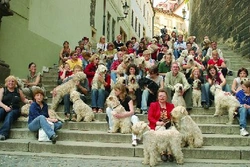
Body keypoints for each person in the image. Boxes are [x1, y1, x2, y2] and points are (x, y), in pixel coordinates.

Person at [0, 75, 32, 140]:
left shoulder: (18, 91)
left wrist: (29, 101)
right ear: (6, 82)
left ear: (15, 83)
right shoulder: (3, 90)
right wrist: (5, 107)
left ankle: (3, 133)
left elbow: (23, 100)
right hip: (4, 108)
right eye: (9, 81)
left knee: (10, 116)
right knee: (0, 112)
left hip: (15, 109)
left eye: (13, 81)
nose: (11, 83)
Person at [148, 89, 175, 162]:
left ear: (166, 97)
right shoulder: (153, 105)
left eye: (163, 96)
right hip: (158, 125)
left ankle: (170, 152)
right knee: (161, 131)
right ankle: (163, 152)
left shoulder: (171, 106)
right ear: (157, 97)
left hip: (168, 124)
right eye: (160, 96)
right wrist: (157, 122)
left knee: (172, 131)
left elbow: (174, 117)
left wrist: (170, 121)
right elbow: (150, 117)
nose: (162, 97)